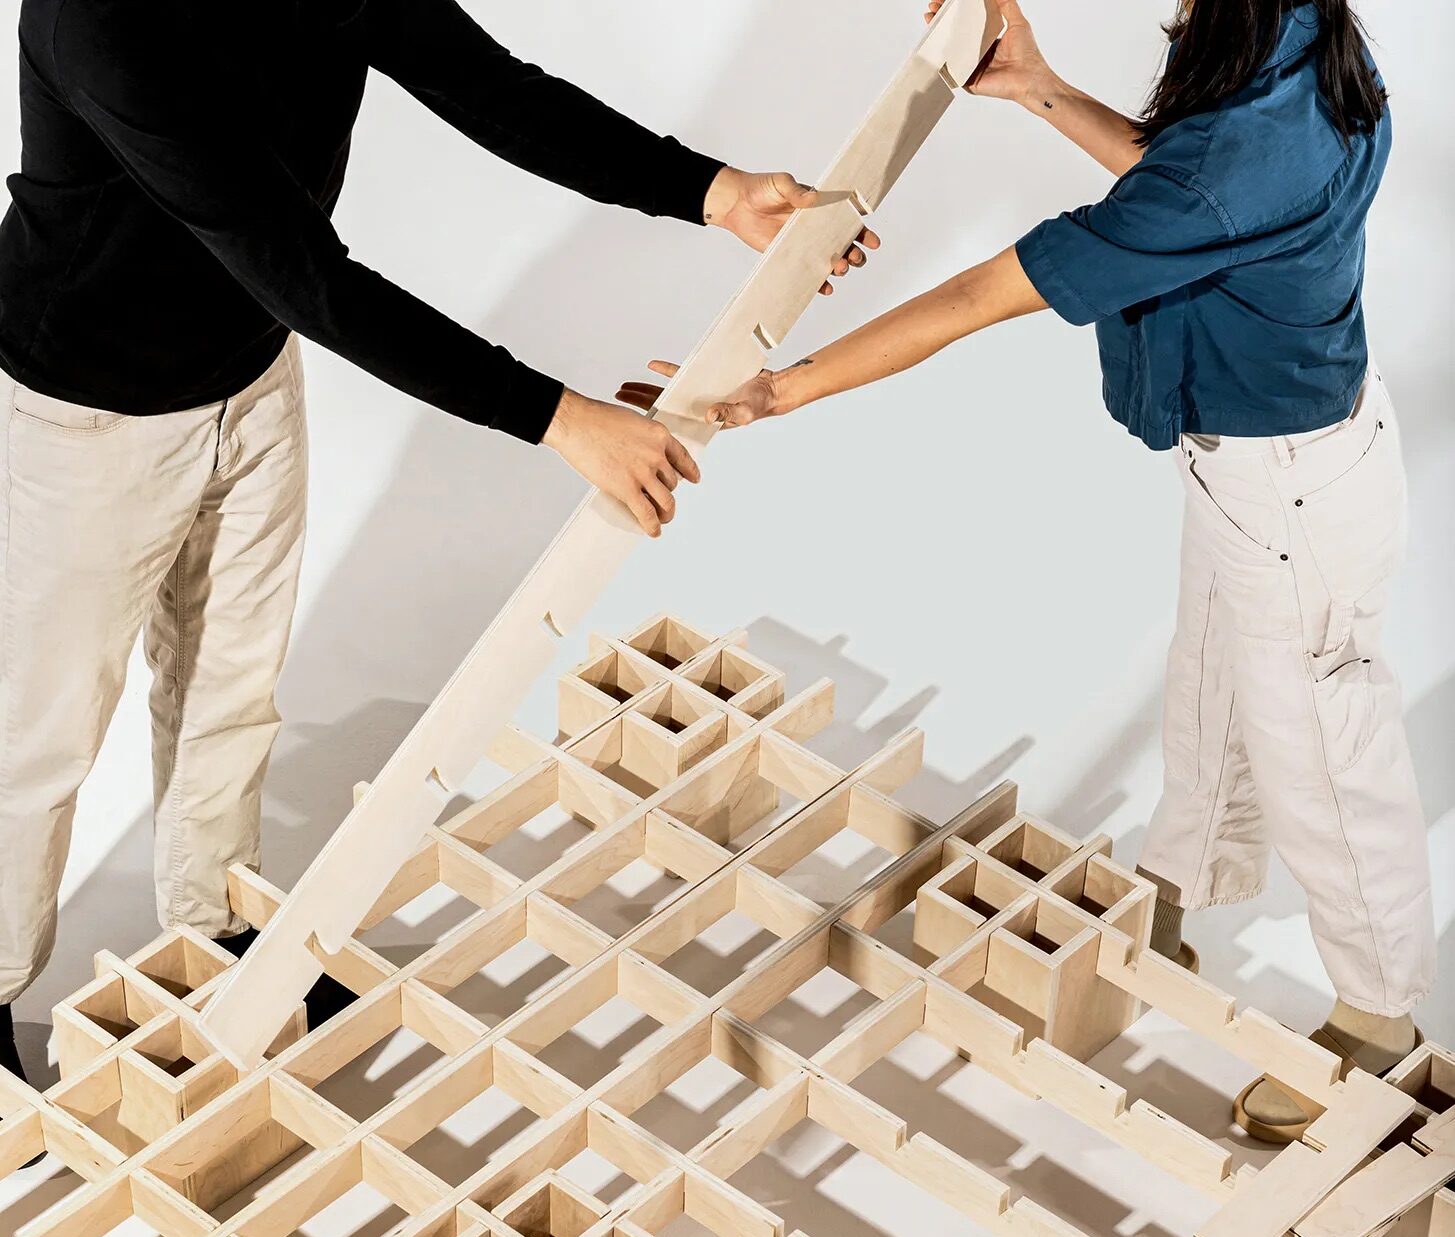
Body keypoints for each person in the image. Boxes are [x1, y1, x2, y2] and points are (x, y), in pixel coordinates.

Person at [0, 0, 877, 1084]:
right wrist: (560, 417)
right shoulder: (96, 22)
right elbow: (304, 272)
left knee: (230, 691)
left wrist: (709, 191)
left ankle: (219, 944)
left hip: (250, 376)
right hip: (85, 413)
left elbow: (494, 91)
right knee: (35, 740)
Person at [621, 0, 1435, 1144]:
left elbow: (976, 300)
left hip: (1290, 491)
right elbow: (1185, 190)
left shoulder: (1235, 164)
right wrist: (1043, 88)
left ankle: (1379, 1018)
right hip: (1281, 468)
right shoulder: (1311, 47)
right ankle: (1181, 893)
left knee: (1319, 749)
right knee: (1210, 687)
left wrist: (782, 386)